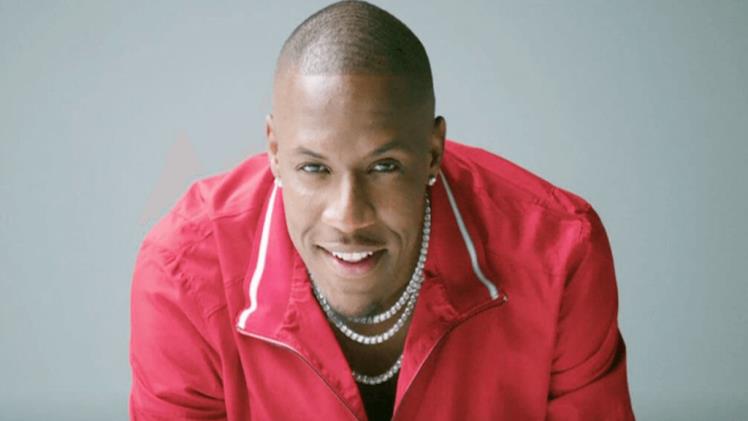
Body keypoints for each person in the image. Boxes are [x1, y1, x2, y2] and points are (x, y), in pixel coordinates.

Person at [129, 1, 635, 420]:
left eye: (384, 166)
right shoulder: (184, 276)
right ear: (275, 152)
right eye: (314, 168)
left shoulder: (560, 255)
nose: (348, 218)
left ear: (432, 152)